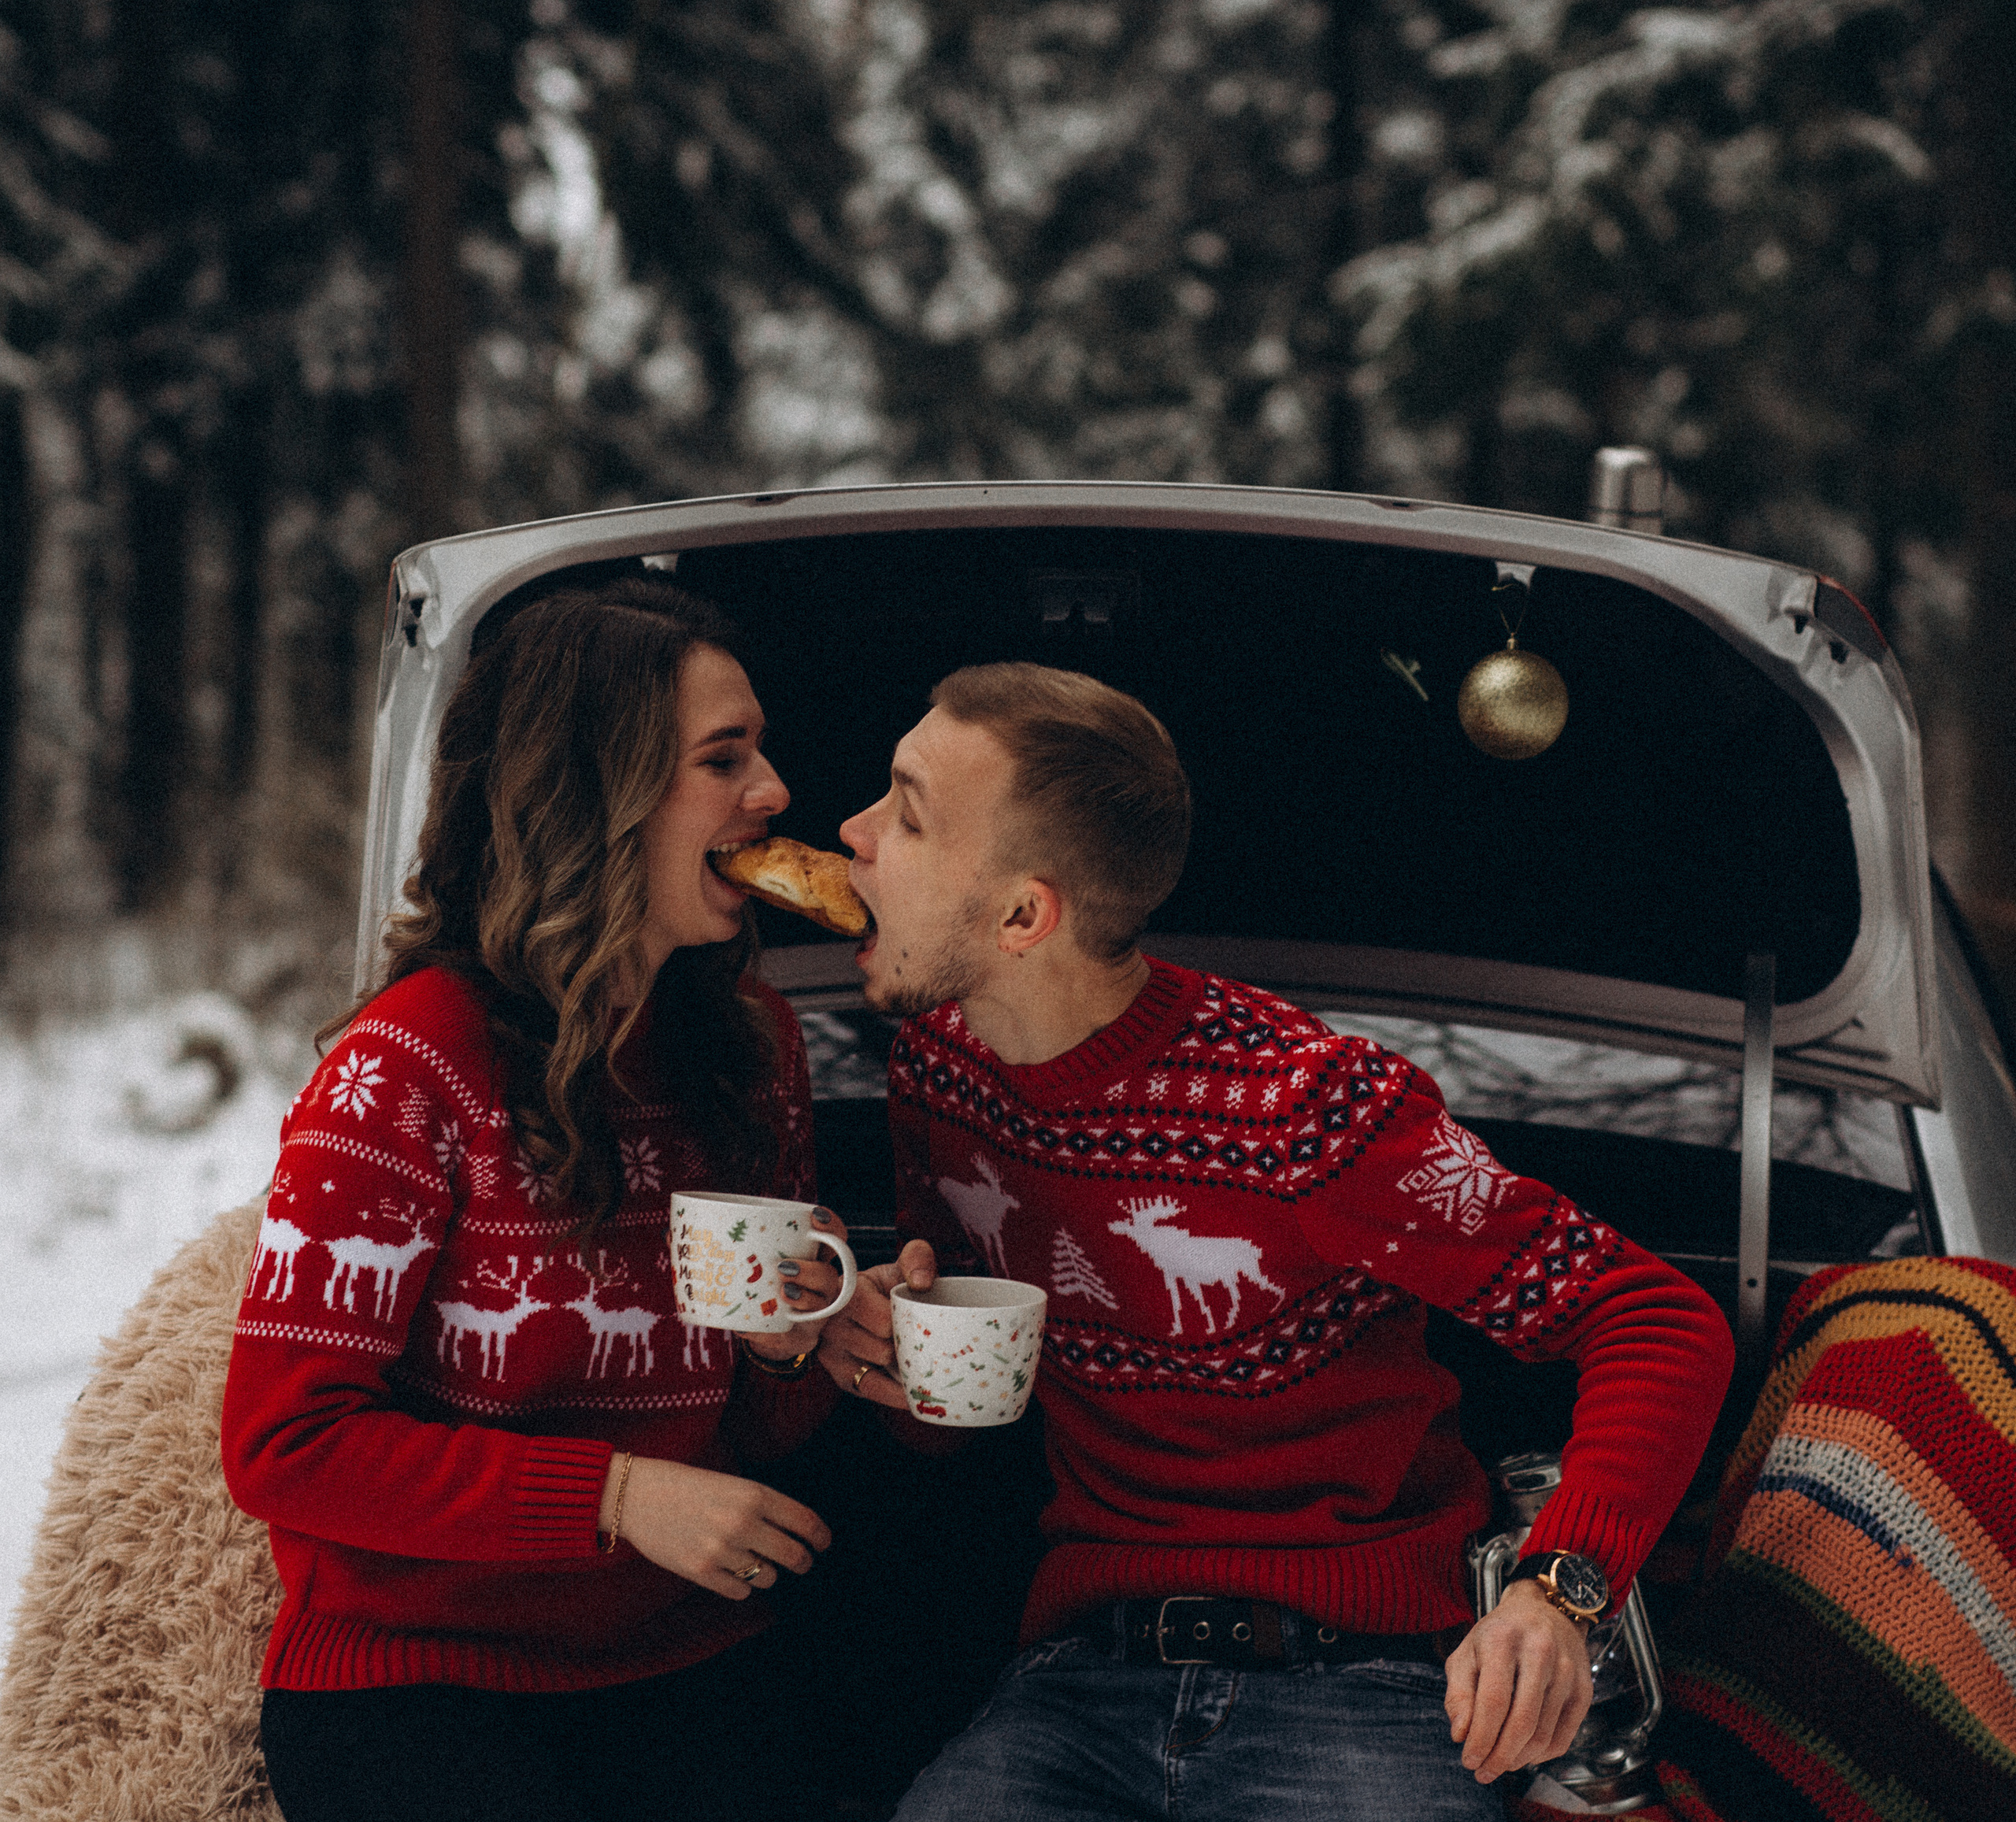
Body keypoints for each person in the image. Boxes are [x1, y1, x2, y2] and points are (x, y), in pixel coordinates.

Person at [817, 661, 1736, 1822]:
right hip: (1083, 1676)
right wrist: (874, 1357)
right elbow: (957, 1416)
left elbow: (1653, 1317)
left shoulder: (1313, 1108)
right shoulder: (940, 1078)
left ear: (1023, 915)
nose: (847, 833)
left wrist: (1559, 1593)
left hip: (1369, 1683)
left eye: (904, 812)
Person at [221, 576, 849, 1822]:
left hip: (689, 1654)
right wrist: (618, 1497)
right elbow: (283, 1443)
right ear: (594, 796)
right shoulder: (406, 1066)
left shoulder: (754, 1047)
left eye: (760, 752)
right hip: (420, 1680)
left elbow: (764, 1442)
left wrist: (795, 1351)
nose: (775, 793)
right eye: (725, 759)